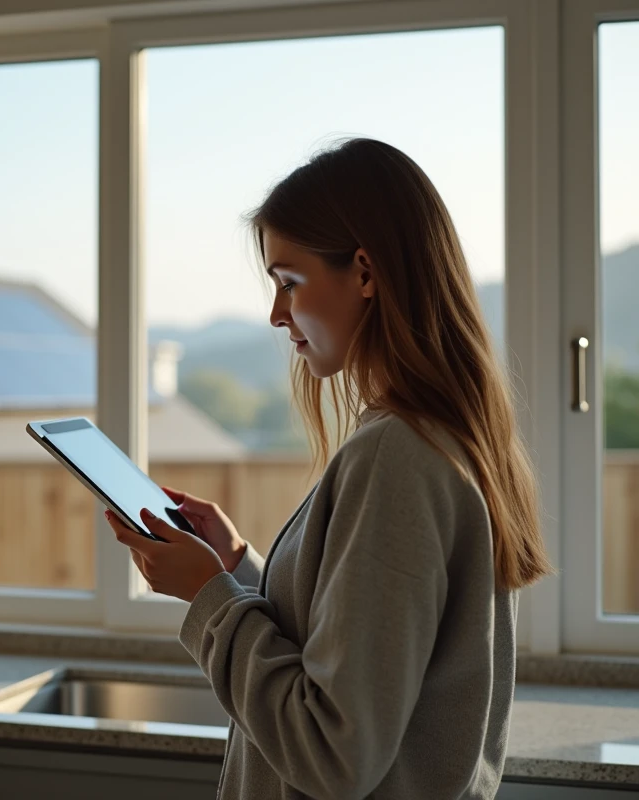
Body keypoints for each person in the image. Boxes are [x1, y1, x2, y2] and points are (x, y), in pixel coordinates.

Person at [105, 138, 552, 800]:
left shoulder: (395, 456)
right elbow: (361, 649)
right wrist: (237, 568)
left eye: (289, 282)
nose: (276, 313)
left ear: (366, 273)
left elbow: (333, 754)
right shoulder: (440, 439)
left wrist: (210, 598)